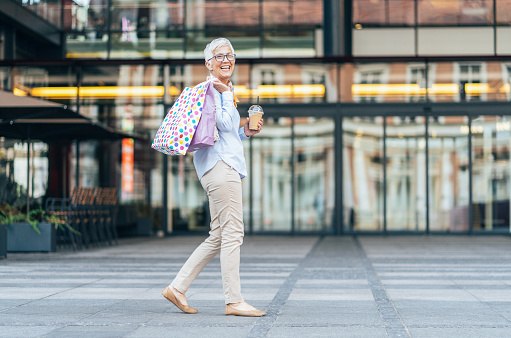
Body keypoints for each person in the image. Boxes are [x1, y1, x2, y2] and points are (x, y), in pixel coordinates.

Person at [162, 38, 265, 317]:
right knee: (234, 233)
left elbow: (226, 131)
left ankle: (178, 287)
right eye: (219, 56)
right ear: (208, 63)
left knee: (218, 235)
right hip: (222, 168)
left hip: (214, 166)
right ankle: (234, 301)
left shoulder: (219, 90)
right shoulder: (216, 89)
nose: (226, 60)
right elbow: (225, 122)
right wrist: (225, 95)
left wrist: (246, 131)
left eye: (230, 55)